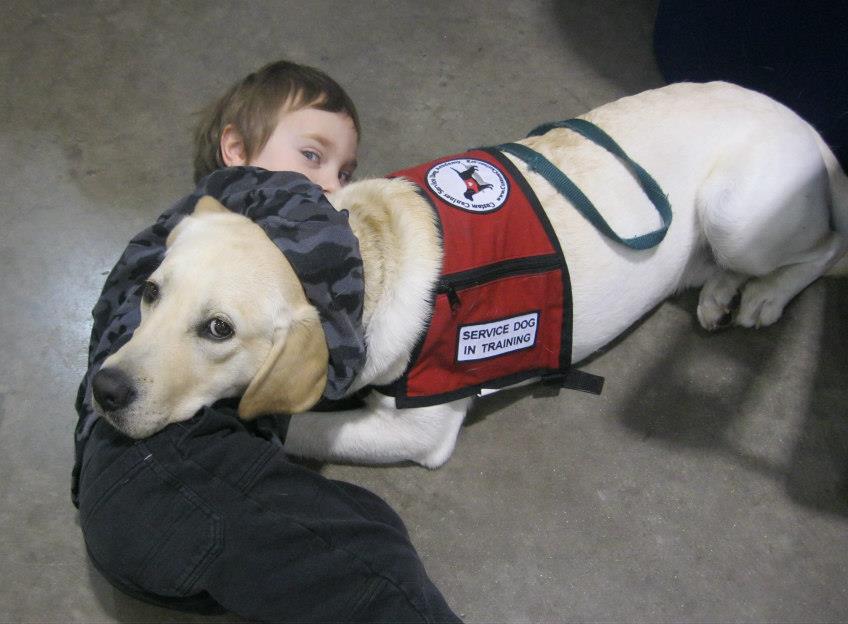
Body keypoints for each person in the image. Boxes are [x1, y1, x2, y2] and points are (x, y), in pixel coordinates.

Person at [73, 60, 461, 623]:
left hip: (163, 493)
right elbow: (328, 323)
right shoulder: (220, 221)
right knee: (374, 575)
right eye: (312, 155)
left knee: (372, 527)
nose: (332, 185)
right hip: (155, 471)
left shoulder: (200, 233)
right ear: (235, 149)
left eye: (347, 172)